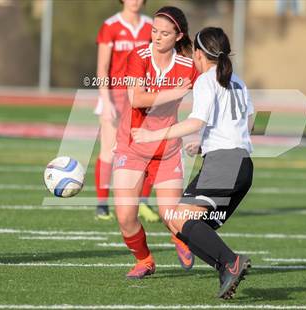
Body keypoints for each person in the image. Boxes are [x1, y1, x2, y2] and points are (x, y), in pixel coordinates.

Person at [132, 27, 254, 299]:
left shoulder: (206, 80)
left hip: (224, 163)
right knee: (178, 221)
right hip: (243, 165)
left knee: (178, 217)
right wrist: (207, 143)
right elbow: (249, 122)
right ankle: (226, 268)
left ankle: (230, 262)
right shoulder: (238, 81)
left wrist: (153, 134)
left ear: (199, 54)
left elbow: (196, 122)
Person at [113, 6, 199, 279]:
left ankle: (181, 238)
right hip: (132, 145)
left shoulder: (189, 67)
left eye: (164, 33)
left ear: (178, 36)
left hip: (167, 149)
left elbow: (212, 94)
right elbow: (136, 99)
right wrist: (174, 92)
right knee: (126, 217)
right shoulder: (138, 55)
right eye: (154, 31)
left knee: (170, 216)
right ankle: (145, 260)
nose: (157, 37)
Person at [95, 0, 159, 222]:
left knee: (148, 151)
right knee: (109, 150)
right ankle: (102, 204)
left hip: (142, 97)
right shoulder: (110, 25)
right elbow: (102, 67)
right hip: (116, 96)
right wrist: (106, 100)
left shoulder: (151, 26)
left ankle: (142, 202)